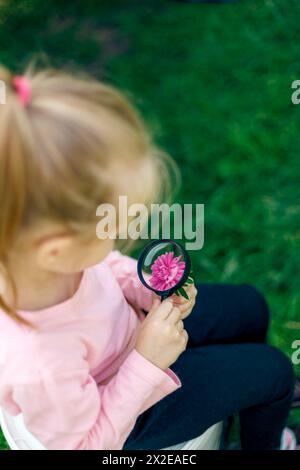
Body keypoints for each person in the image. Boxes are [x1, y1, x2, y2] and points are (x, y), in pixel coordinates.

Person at [0, 65, 295, 450]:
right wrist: (147, 362)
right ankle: (269, 441)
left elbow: (103, 268)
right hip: (132, 415)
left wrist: (144, 289)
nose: (126, 235)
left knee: (251, 308)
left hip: (136, 336)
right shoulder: (38, 364)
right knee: (274, 372)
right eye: (113, 228)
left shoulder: (35, 255)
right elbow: (90, 445)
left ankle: (244, 390)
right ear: (56, 249)